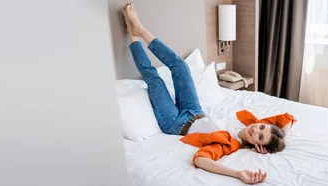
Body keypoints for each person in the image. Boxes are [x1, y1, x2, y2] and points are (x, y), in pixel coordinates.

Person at [122, 2, 292, 184]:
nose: (256, 129)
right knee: (181, 66)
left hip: (176, 125)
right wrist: (278, 140)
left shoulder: (230, 144)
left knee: (154, 79)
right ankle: (140, 29)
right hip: (195, 111)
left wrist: (238, 173)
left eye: (259, 137)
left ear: (257, 145)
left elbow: (201, 159)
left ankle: (133, 36)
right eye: (261, 127)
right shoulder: (250, 122)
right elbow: (287, 118)